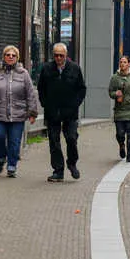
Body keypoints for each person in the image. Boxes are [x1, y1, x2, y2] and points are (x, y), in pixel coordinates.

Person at [0, 45, 38, 178]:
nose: (10, 57)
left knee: (14, 141)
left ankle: (12, 166)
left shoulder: (24, 74)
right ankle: (1, 158)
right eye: (8, 55)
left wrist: (32, 113)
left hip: (18, 114)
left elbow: (30, 94)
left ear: (17, 58)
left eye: (13, 55)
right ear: (4, 57)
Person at [36, 42, 87, 182]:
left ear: (66, 55)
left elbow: (82, 88)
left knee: (71, 138)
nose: (58, 58)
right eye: (56, 55)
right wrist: (44, 103)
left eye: (61, 55)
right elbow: (41, 88)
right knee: (54, 141)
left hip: (70, 112)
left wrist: (76, 103)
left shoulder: (75, 69)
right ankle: (58, 170)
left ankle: (72, 163)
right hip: (52, 111)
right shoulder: (47, 69)